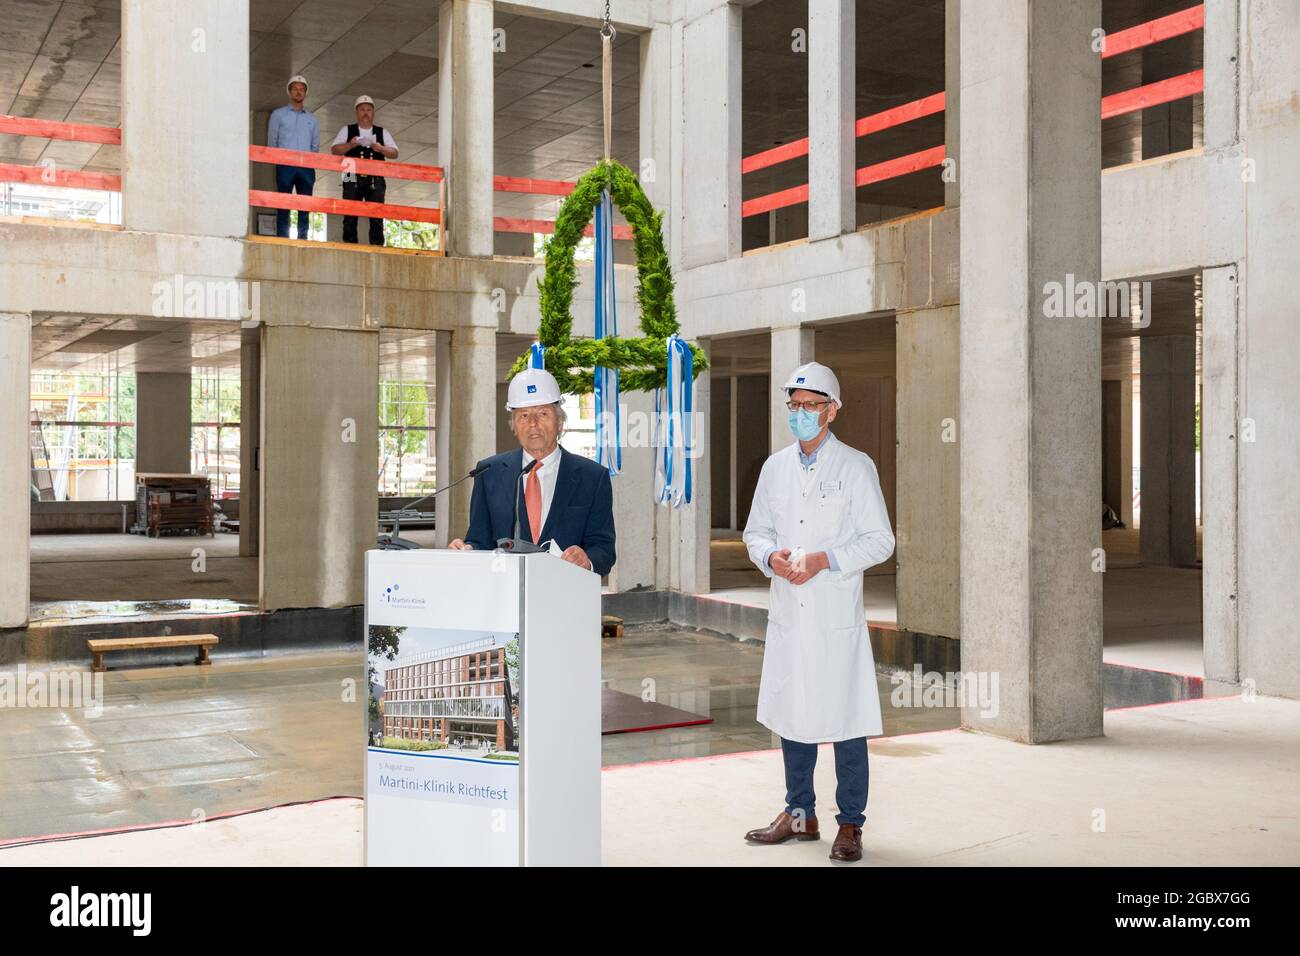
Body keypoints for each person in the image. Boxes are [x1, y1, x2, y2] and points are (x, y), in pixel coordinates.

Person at [741, 361, 895, 864]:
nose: (802, 414)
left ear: (832, 410)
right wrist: (771, 557)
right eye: (795, 406)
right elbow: (755, 533)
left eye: (812, 406)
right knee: (793, 716)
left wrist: (825, 559)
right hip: (790, 614)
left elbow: (880, 541)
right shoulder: (774, 467)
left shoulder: (856, 466)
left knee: (847, 721)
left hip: (834, 616)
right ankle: (800, 815)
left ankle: (850, 822)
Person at [449, 368, 616, 576]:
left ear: (560, 422)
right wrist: (468, 550)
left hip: (566, 596)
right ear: (514, 426)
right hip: (505, 595)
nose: (533, 424)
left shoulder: (593, 477)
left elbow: (604, 549)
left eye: (543, 413)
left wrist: (587, 560)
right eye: (524, 415)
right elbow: (479, 539)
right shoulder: (488, 473)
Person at [330, 95, 399, 246]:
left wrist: (380, 148)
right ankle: (349, 246)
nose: (365, 113)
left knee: (377, 215)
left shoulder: (382, 132)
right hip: (350, 174)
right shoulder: (347, 130)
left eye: (368, 109)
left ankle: (377, 247)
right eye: (362, 109)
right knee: (349, 213)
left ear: (373, 112)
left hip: (376, 177)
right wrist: (350, 145)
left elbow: (394, 153)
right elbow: (335, 149)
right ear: (357, 112)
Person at [267, 75, 320, 240]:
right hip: (285, 165)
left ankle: (303, 237)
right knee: (283, 203)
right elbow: (272, 142)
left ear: (305, 93)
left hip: (306, 167)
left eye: (302, 89)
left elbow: (315, 146)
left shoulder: (312, 119)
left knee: (305, 204)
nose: (298, 92)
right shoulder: (278, 115)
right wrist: (279, 160)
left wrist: (308, 160)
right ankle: (283, 237)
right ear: (289, 92)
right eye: (295, 89)